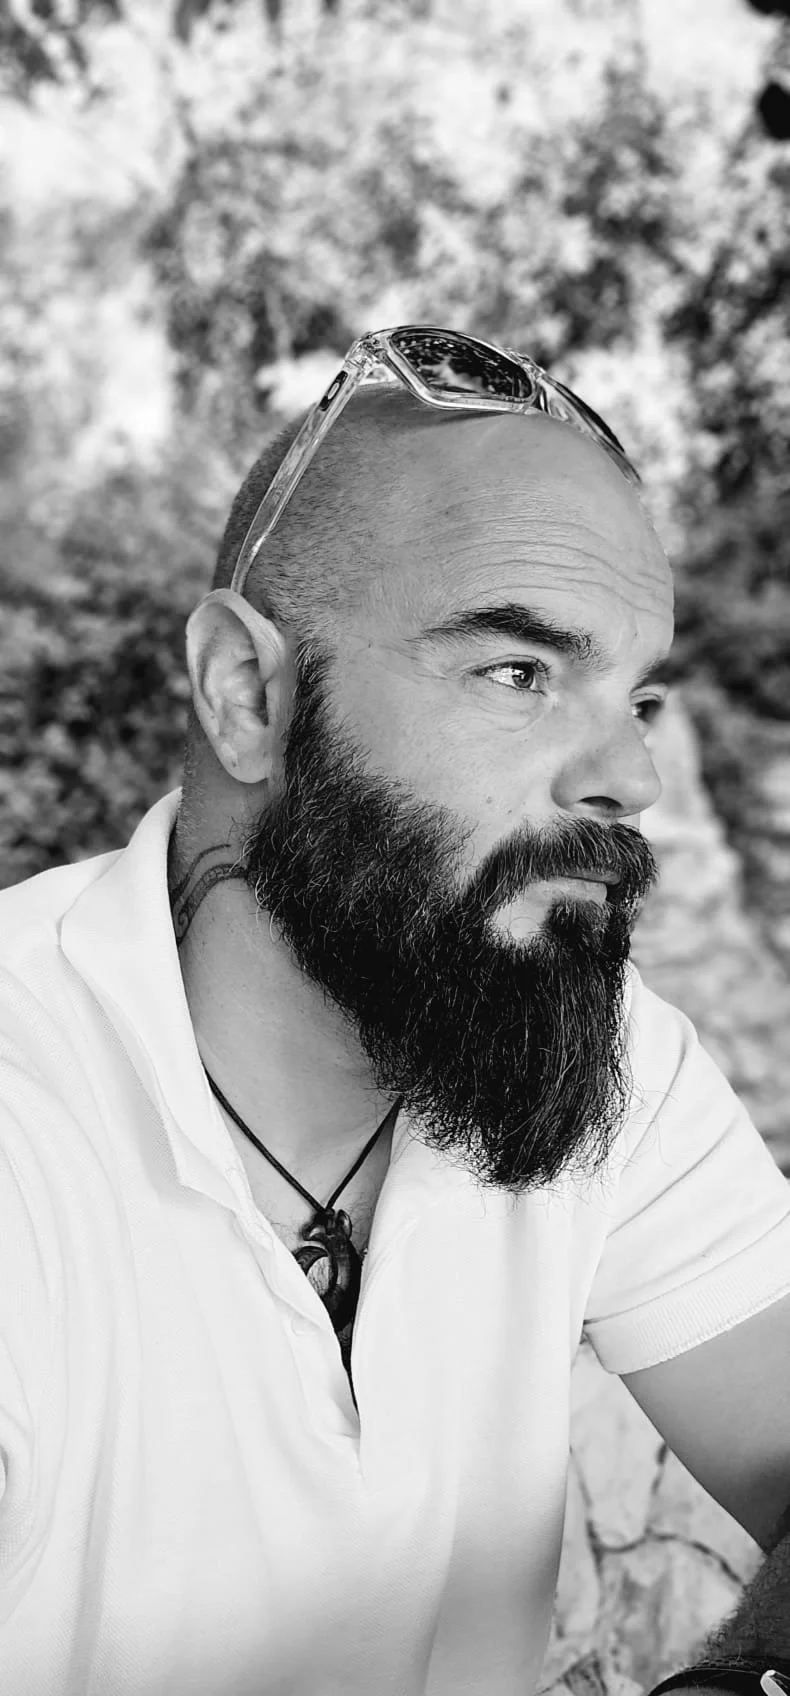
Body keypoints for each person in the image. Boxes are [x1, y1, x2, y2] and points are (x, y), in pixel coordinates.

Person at [1, 326, 789, 1696]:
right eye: (517, 672)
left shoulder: (599, 1058)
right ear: (248, 694)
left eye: (639, 692)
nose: (628, 776)